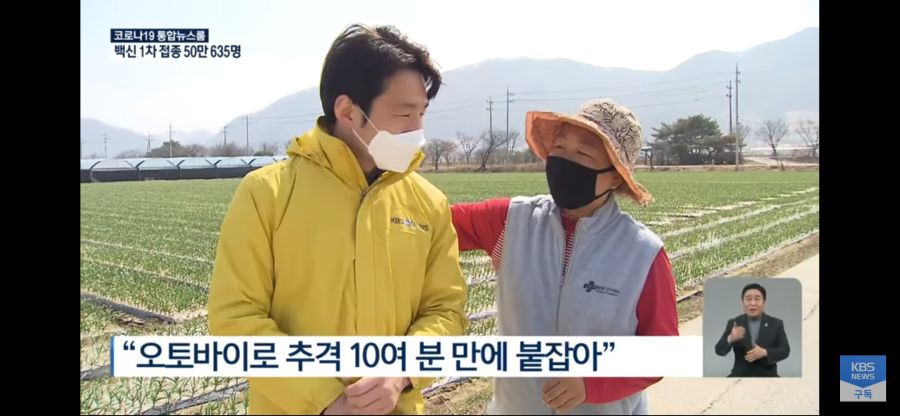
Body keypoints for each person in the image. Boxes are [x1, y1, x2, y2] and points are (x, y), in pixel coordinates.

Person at [207, 24, 468, 415]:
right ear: (348, 111)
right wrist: (323, 397)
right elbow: (235, 318)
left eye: (421, 114)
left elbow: (446, 311)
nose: (417, 131)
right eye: (403, 114)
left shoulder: (428, 203)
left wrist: (401, 372)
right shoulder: (268, 194)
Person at [450, 99, 679, 414]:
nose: (565, 162)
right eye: (559, 148)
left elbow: (661, 352)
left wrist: (592, 382)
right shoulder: (511, 222)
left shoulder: (641, 253)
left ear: (614, 177)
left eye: (583, 154)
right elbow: (431, 224)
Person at [714, 283, 790, 377]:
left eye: (757, 299)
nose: (753, 303)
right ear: (742, 302)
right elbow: (719, 350)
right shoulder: (735, 323)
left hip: (768, 377)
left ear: (764, 302)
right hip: (739, 376)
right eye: (748, 299)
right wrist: (730, 338)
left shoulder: (776, 323)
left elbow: (785, 350)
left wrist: (765, 352)